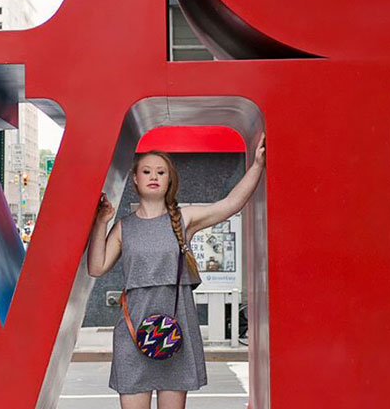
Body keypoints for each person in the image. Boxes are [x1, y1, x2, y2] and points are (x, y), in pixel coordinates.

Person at [87, 136, 266, 409]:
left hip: (175, 330)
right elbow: (96, 267)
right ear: (134, 179)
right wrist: (102, 222)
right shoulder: (124, 226)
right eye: (146, 171)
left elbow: (231, 204)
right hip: (134, 332)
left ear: (169, 180)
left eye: (161, 172)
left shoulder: (184, 218)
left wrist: (256, 165)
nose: (154, 177)